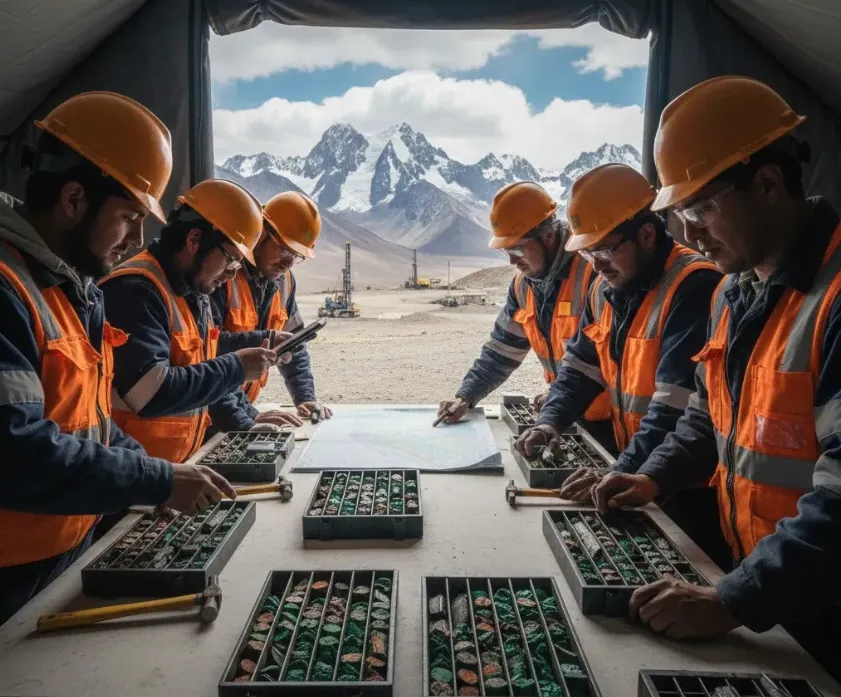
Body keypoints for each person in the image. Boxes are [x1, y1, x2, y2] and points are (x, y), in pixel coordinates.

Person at [591, 75, 841, 680]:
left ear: (767, 183)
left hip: (824, 606)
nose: (688, 233)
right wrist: (651, 477)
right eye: (680, 213)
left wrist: (732, 599)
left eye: (701, 208)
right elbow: (707, 418)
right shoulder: (734, 291)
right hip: (762, 584)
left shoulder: (834, 300)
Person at [0, 92, 235, 624]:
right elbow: (13, 452)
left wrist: (161, 470)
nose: (136, 240)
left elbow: (95, 423)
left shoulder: (75, 288)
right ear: (74, 199)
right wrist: (155, 479)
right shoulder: (8, 288)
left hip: (65, 549)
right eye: (129, 217)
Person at [515, 163, 730, 568]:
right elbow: (579, 367)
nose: (596, 265)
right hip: (641, 469)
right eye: (588, 253)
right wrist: (550, 421)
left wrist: (624, 468)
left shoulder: (694, 286)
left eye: (604, 250)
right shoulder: (608, 286)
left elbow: (675, 405)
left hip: (689, 485)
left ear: (646, 235)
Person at [100, 178, 283, 464]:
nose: (232, 274)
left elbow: (205, 376)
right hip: (131, 477)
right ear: (194, 241)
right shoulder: (136, 289)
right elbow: (148, 394)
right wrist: (235, 367)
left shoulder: (193, 291)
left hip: (169, 474)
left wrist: (248, 422)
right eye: (231, 260)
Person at [438, 181, 611, 446]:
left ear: (549, 237)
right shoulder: (523, 285)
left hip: (609, 422)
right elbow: (501, 351)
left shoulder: (595, 275)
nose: (511, 261)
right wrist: (466, 396)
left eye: (517, 249)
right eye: (506, 251)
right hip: (563, 416)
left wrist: (557, 394)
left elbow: (610, 359)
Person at [211, 191, 332, 426]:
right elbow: (205, 352)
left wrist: (305, 398)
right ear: (261, 232)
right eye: (285, 250)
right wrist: (248, 417)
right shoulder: (220, 276)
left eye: (296, 256)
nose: (288, 263)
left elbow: (293, 345)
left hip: (237, 413)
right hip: (210, 411)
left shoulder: (285, 282)